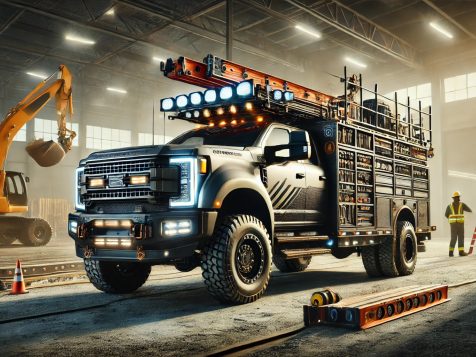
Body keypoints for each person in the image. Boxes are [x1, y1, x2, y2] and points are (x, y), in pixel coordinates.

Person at [445, 191, 472, 256]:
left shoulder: (449, 206)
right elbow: (469, 210)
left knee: (453, 238)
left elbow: (446, 215)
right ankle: (461, 252)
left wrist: (452, 219)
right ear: (459, 197)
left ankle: (451, 252)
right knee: (460, 237)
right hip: (460, 224)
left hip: (453, 225)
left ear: (453, 198)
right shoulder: (462, 205)